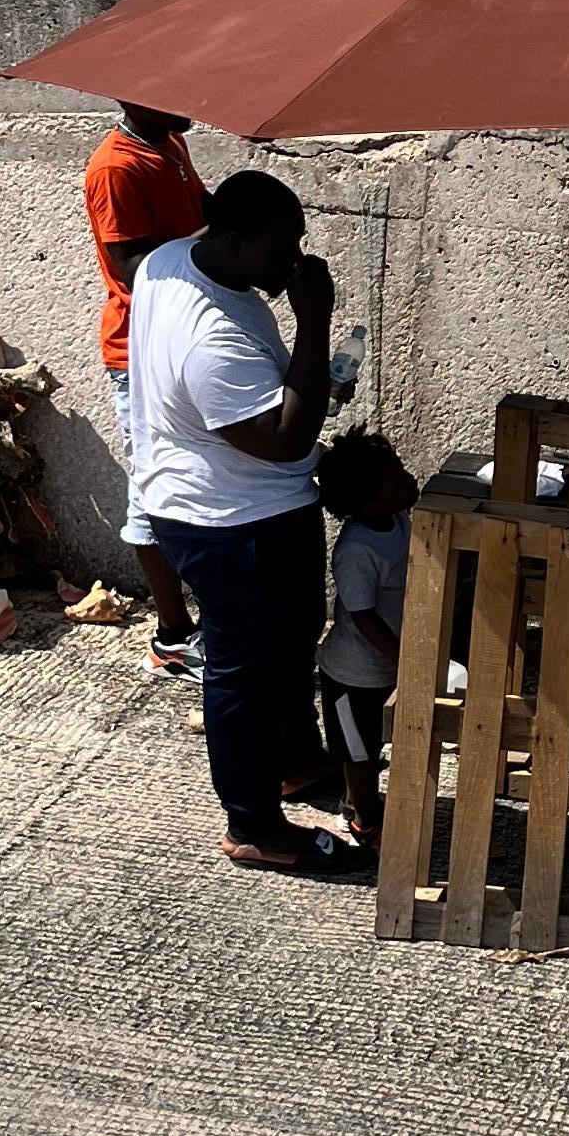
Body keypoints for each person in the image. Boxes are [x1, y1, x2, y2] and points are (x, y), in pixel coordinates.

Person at [126, 167, 364, 878]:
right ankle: (253, 824)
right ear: (230, 238)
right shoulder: (212, 342)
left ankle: (289, 762)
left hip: (215, 504)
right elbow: (288, 438)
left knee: (285, 648)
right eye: (280, 248)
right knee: (244, 671)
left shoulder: (170, 262)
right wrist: (315, 318)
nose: (294, 262)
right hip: (235, 522)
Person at [80, 101, 205, 675]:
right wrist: (215, 247)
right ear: (135, 99)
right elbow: (133, 266)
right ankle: (173, 633)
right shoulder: (115, 167)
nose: (192, 104)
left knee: (188, 475)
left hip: (179, 337)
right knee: (152, 484)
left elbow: (199, 213)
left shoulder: (168, 143)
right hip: (140, 348)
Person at [315, 428, 418, 845]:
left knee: (372, 742)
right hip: (352, 674)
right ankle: (365, 820)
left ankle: (356, 801)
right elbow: (363, 619)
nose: (409, 479)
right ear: (370, 502)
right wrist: (406, 656)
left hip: (383, 666)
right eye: (397, 477)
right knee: (358, 750)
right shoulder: (356, 550)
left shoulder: (398, 523)